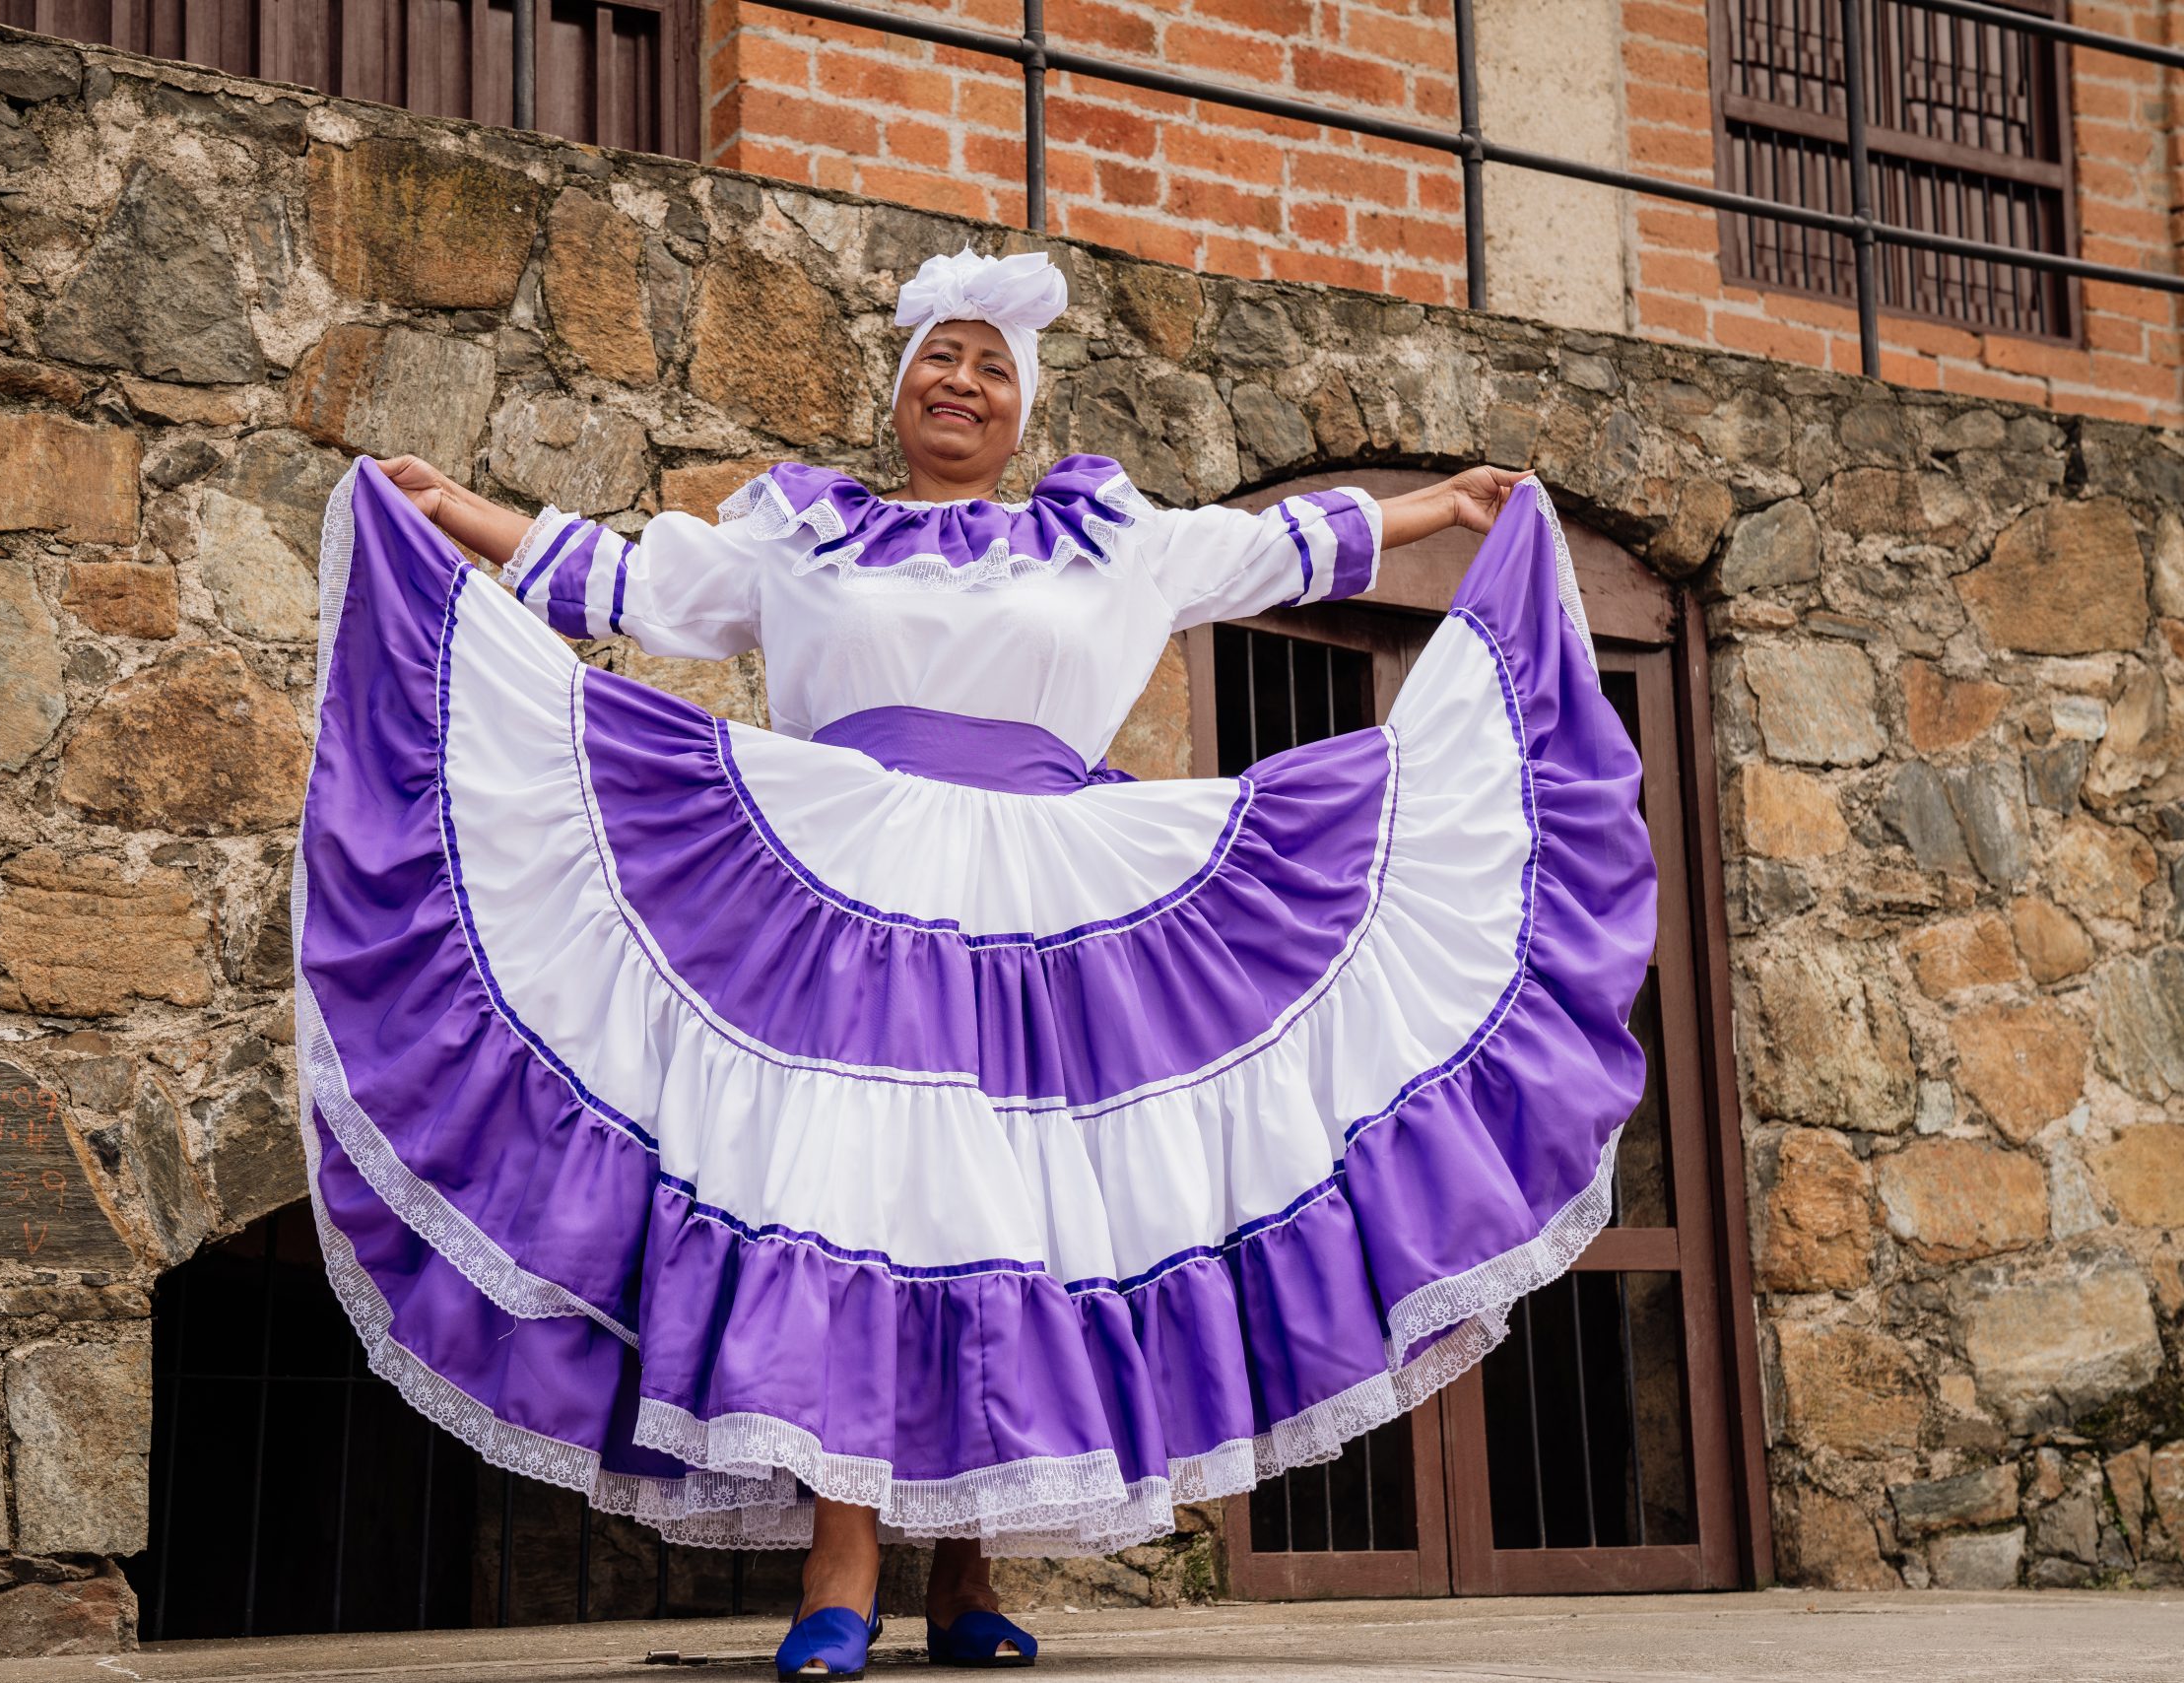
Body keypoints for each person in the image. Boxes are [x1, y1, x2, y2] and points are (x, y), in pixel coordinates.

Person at [297, 248, 1656, 1677]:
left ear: (1023, 410)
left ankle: (966, 1574)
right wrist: (455, 515)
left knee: (1021, 1213)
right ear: (900, 392)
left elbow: (1276, 548)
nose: (962, 381)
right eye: (939, 358)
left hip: (1050, 906)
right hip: (848, 891)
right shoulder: (805, 538)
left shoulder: (1110, 539)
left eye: (992, 367)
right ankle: (840, 1569)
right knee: (854, 1195)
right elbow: (637, 582)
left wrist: (1444, 508)